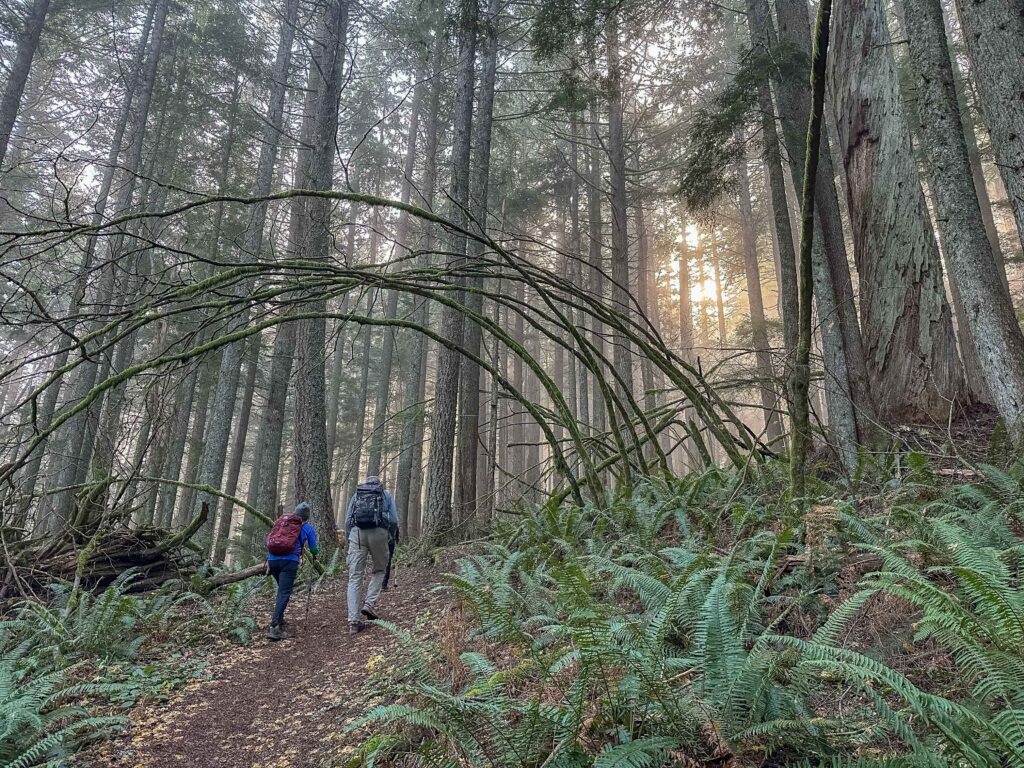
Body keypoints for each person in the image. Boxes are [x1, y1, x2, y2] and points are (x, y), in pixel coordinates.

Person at [342, 475, 399, 635]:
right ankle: (369, 603)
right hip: (379, 533)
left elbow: (347, 520)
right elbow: (394, 520)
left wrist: (349, 538)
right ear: (379, 484)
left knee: (354, 577)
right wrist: (390, 536)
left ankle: (353, 622)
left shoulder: (357, 495)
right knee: (380, 570)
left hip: (357, 534)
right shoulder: (385, 495)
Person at [266, 501, 318, 641]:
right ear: (306, 517)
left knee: (281, 590)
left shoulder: (282, 523)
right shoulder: (306, 527)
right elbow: (314, 548)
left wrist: (268, 560)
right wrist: (314, 554)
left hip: (273, 560)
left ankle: (279, 618)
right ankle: (274, 626)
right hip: (289, 562)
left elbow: (270, 539)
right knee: (284, 592)